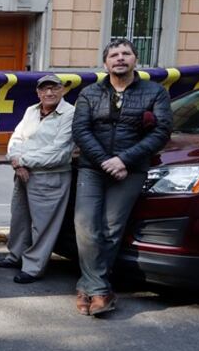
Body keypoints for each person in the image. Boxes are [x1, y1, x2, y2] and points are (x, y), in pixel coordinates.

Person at [72, 39, 172, 316]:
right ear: (105, 63)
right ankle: (99, 288)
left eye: (125, 53)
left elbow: (161, 132)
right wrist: (105, 161)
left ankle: (88, 286)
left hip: (130, 169)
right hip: (93, 168)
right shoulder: (90, 93)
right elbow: (81, 130)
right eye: (113, 54)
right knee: (85, 227)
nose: (120, 58)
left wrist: (123, 159)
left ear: (135, 59)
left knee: (110, 229)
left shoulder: (155, 92)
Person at [0, 74, 75, 284]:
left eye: (54, 88)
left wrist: (23, 161)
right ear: (38, 92)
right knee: (19, 218)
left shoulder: (70, 113)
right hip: (22, 173)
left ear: (62, 90)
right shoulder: (31, 110)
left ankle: (33, 267)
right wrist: (16, 160)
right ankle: (16, 256)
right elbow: (16, 138)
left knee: (43, 225)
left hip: (50, 176)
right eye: (44, 89)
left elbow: (60, 151)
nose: (49, 93)